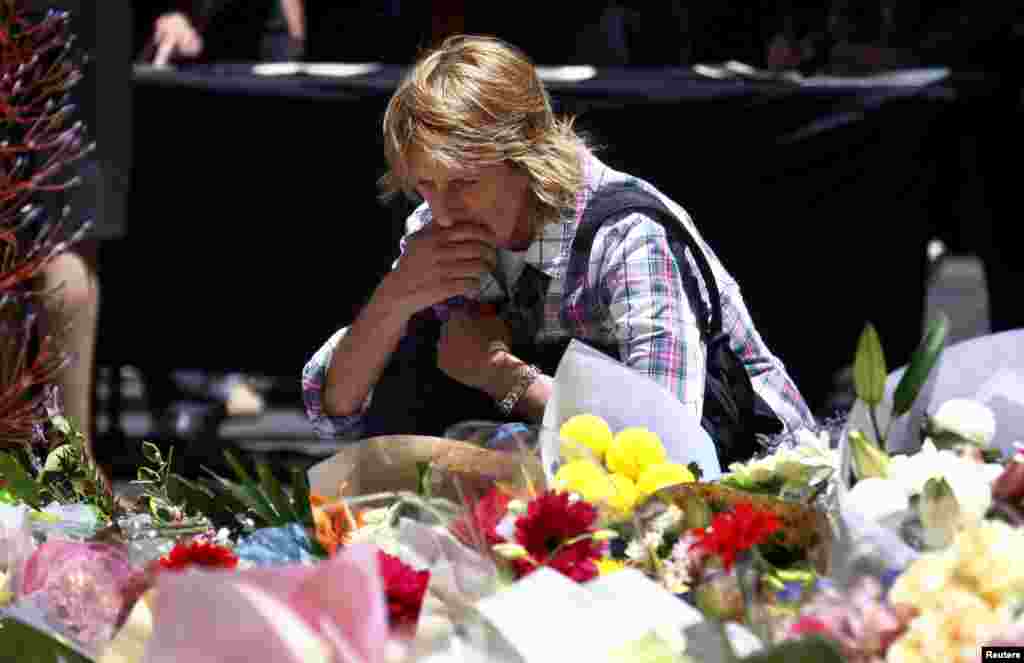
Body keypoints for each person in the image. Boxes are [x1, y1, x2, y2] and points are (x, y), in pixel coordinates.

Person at [302, 36, 816, 455]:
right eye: (425, 185)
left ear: (526, 158)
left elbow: (667, 446)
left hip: (751, 491)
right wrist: (396, 298)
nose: (441, 211)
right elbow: (333, 412)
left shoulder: (628, 236)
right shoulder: (439, 229)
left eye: (464, 183)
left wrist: (504, 380)